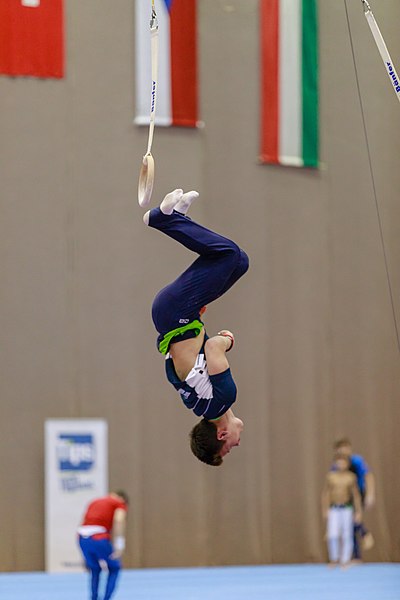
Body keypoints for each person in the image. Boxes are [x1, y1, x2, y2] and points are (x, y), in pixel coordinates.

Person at [143, 188, 249, 466]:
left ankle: (163, 219)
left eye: (228, 448)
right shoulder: (198, 404)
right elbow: (187, 360)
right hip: (176, 315)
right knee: (239, 262)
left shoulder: (223, 398)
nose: (236, 443)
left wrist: (228, 339)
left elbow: (214, 346)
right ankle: (177, 217)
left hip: (177, 312)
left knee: (228, 255)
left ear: (222, 433)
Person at [77, 490, 129, 600]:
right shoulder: (118, 503)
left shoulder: (94, 501)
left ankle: (93, 598)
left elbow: (83, 522)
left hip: (82, 538)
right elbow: (119, 521)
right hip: (99, 537)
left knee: (95, 569)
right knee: (114, 568)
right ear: (122, 499)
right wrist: (119, 545)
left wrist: (83, 556)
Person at [333, 438, 376, 560]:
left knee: (355, 519)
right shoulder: (337, 465)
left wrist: (370, 494)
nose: (343, 451)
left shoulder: (357, 461)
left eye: (345, 448)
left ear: (349, 449)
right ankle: (356, 556)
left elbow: (368, 475)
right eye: (340, 449)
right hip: (344, 498)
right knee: (348, 526)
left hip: (358, 494)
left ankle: (364, 533)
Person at [321, 452, 363, 568]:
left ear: (347, 464)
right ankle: (334, 558)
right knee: (332, 534)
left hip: (347, 508)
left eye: (343, 462)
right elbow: (326, 494)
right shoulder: (331, 476)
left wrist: (358, 511)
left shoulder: (351, 477)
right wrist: (325, 510)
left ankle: (345, 559)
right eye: (338, 462)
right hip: (334, 508)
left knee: (347, 534)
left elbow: (355, 495)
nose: (341, 464)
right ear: (335, 463)